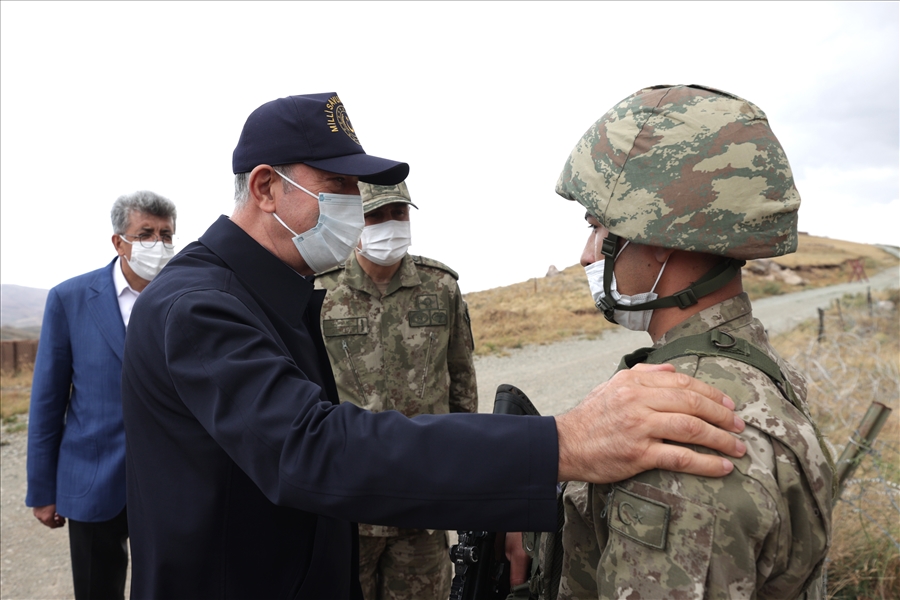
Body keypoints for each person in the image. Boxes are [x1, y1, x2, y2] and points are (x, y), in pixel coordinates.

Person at [121, 92, 747, 599]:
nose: (357, 209)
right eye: (338, 190)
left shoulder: (275, 290)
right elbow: (311, 450)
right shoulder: (198, 306)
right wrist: (561, 443)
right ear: (265, 188)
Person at [539, 85, 834, 599]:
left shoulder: (681, 442)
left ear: (661, 239)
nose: (587, 255)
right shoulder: (753, 367)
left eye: (597, 228)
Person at [316, 180, 477, 599]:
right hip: (349, 500)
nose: (390, 225)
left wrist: (466, 474)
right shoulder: (320, 292)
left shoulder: (440, 286)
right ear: (353, 221)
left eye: (398, 214)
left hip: (422, 497)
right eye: (376, 216)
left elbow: (461, 383)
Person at [26, 191, 177, 600]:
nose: (158, 244)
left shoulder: (188, 298)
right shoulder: (70, 298)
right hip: (93, 480)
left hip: (171, 483)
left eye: (166, 234)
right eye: (145, 233)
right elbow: (47, 402)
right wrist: (42, 491)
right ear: (118, 241)